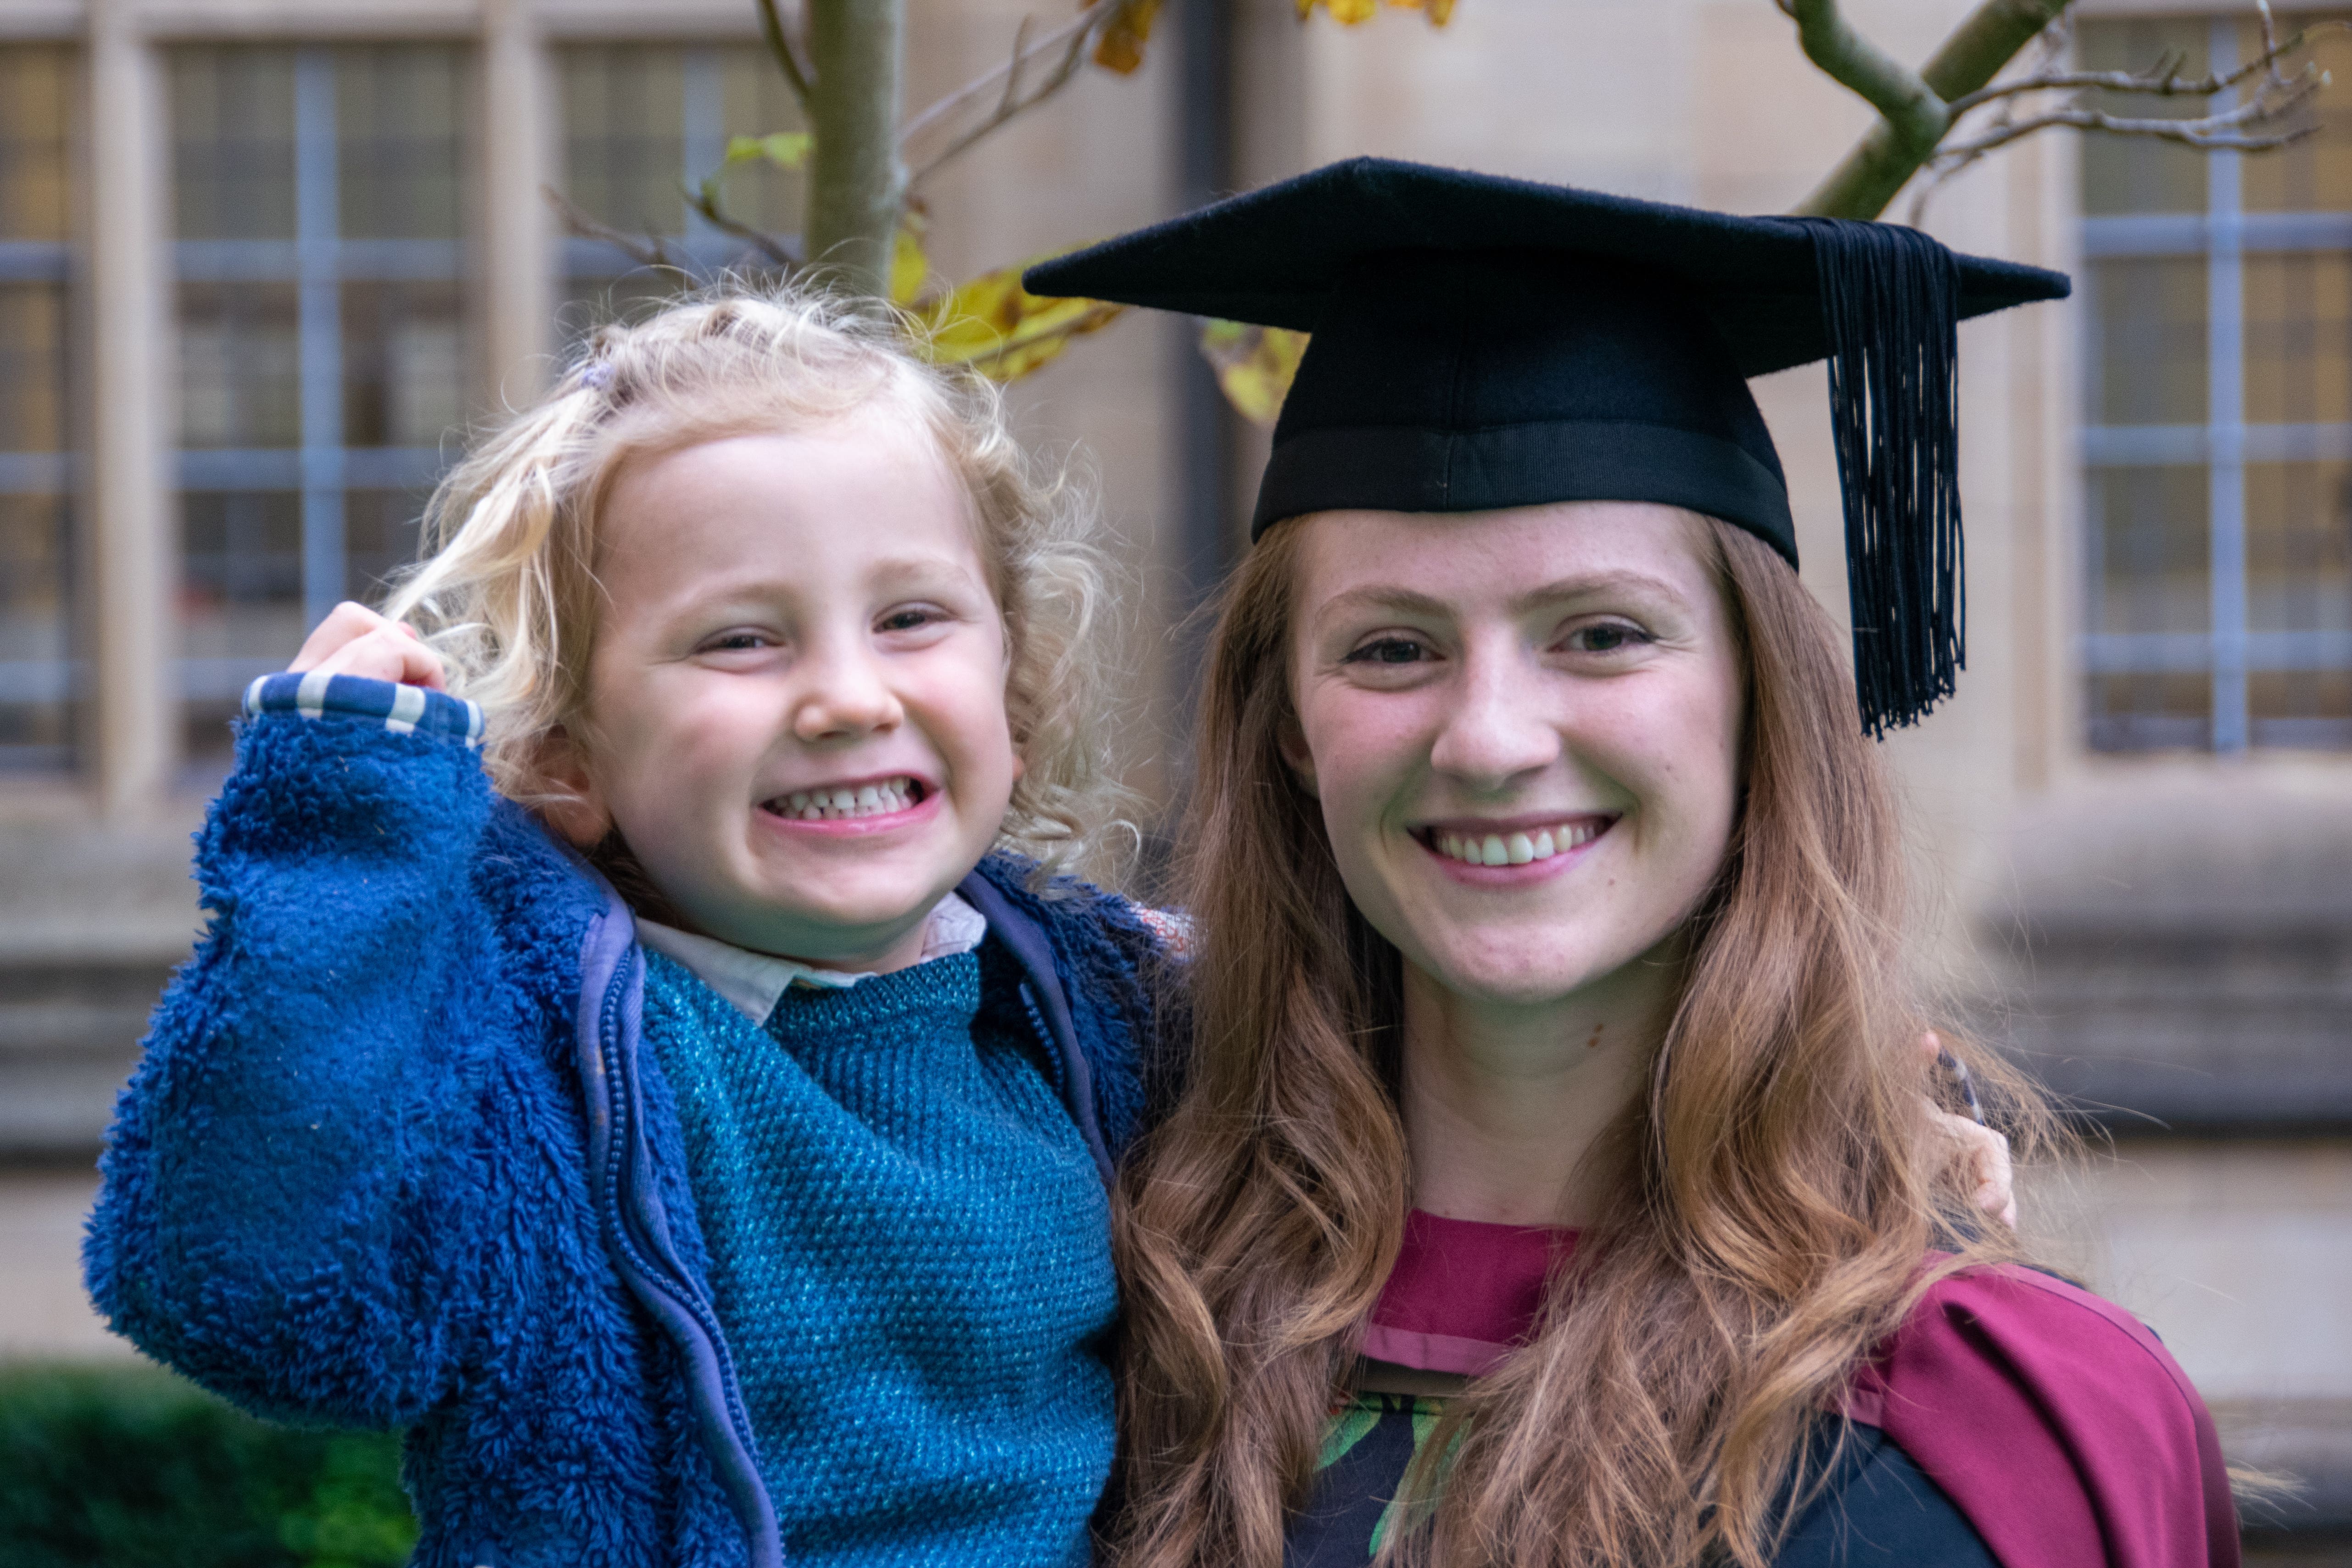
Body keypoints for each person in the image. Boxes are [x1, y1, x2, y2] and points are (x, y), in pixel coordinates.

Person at [1026, 160, 2235, 1568]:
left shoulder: (2006, 1434)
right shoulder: (1087, 1344)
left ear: (1756, 700)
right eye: (1391, 647)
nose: (1488, 736)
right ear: (1290, 727)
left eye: (1600, 632)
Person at [84, 290, 1172, 1568]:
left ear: (1013, 683)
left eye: (911, 617)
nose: (847, 695)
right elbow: (248, 1293)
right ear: (567, 758)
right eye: (741, 638)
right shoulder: (538, 1069)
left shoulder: (1108, 1011)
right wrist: (343, 840)